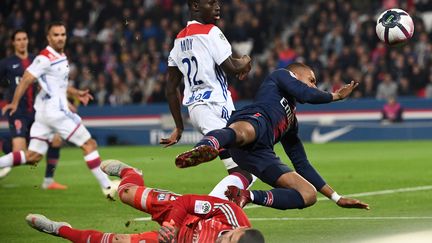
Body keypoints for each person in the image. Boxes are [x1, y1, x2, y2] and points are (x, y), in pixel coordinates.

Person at [176, 63, 370, 211]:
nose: (313, 85)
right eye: (311, 80)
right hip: (255, 119)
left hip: (260, 155)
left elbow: (302, 164)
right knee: (245, 132)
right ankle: (205, 147)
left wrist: (337, 198)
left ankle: (246, 196)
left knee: (308, 194)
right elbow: (306, 93)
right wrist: (335, 96)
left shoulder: (291, 122)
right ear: (296, 74)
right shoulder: (281, 75)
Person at [0, 22, 117, 197]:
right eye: (56, 35)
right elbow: (26, 78)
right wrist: (15, 102)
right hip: (55, 113)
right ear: (49, 37)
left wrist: (76, 93)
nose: (60, 38)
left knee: (33, 156)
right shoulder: (44, 58)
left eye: (62, 34)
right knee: (89, 144)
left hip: (44, 113)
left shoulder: (59, 56)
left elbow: (58, 85)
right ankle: (108, 187)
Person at [26, 159, 265, 243]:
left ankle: (60, 230)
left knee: (119, 241)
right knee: (125, 192)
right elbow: (189, 202)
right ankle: (132, 173)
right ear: (241, 228)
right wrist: (171, 225)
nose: (224, 239)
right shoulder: (231, 214)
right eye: (230, 236)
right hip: (180, 211)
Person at [161, 0, 254, 200]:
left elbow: (171, 89)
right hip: (215, 107)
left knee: (243, 173)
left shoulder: (178, 41)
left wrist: (180, 127)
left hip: (197, 109)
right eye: (211, 3)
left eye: (218, 2)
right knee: (247, 169)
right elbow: (232, 67)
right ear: (195, 6)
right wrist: (246, 59)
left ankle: (223, 209)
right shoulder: (211, 32)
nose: (217, 6)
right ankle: (205, 208)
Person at [0, 29, 66, 190]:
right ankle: (5, 144)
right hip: (18, 113)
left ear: (28, 41)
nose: (22, 42)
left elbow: (50, 83)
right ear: (13, 43)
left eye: (25, 38)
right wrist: (5, 104)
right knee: (26, 156)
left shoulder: (37, 60)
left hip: (38, 112)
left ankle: (49, 181)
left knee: (57, 139)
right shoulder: (6, 64)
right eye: (18, 39)